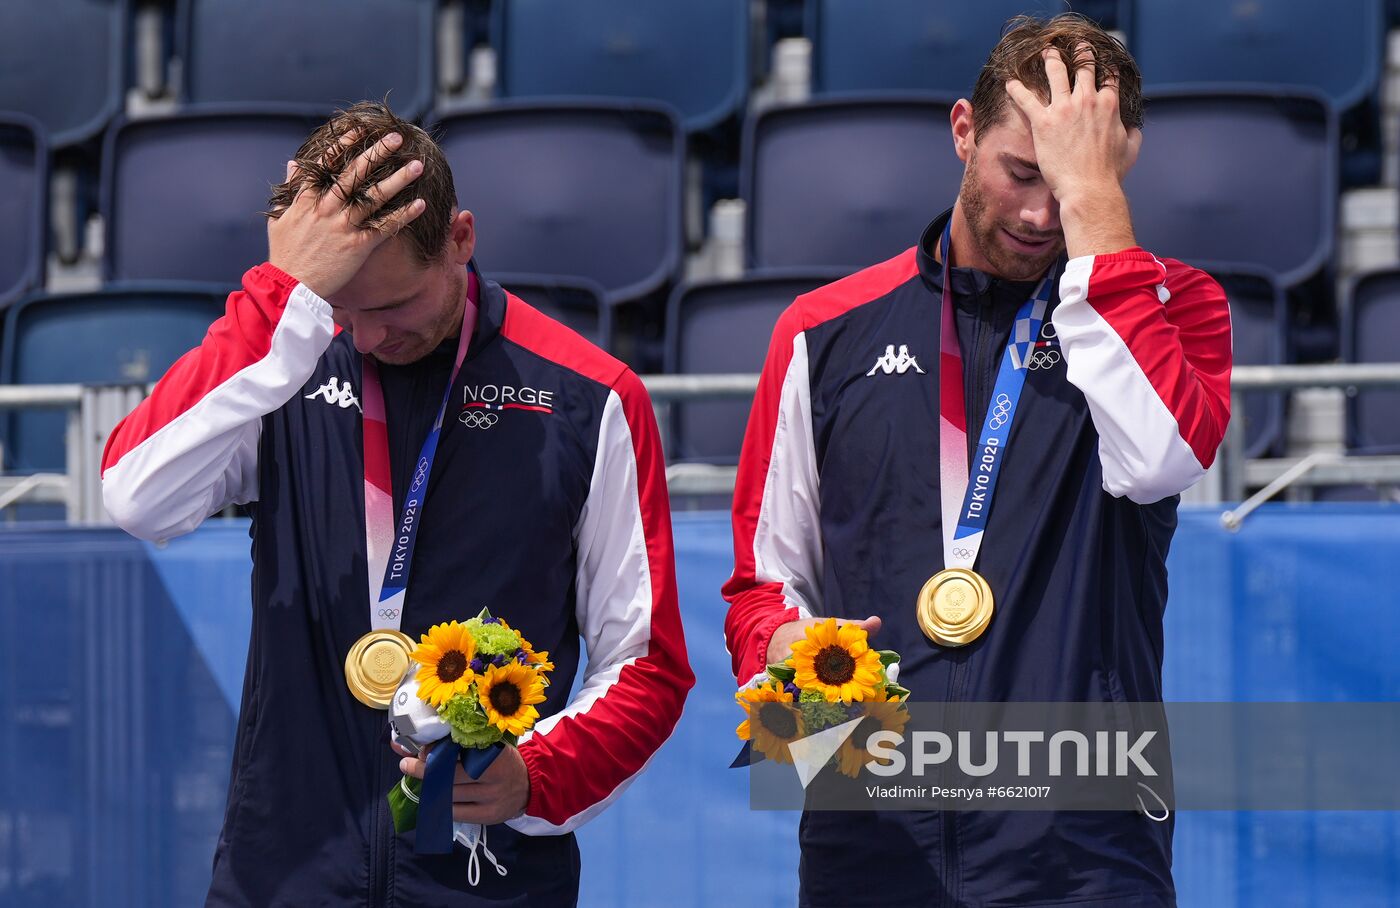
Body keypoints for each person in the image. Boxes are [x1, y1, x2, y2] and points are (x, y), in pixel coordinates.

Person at [101, 101, 693, 907]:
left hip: (488, 879)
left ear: (461, 238)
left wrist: (537, 777)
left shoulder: (590, 396)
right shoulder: (288, 359)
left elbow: (647, 665)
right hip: (283, 873)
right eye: (346, 307)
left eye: (394, 306)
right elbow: (137, 496)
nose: (368, 337)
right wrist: (282, 298)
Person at [722, 15, 1231, 907]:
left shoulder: (1172, 305)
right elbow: (762, 583)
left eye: (1071, 185)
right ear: (963, 130)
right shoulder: (823, 330)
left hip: (1084, 845)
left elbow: (1160, 455)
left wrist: (1097, 218)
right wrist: (782, 648)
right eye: (1022, 172)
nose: (1042, 214)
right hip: (872, 836)